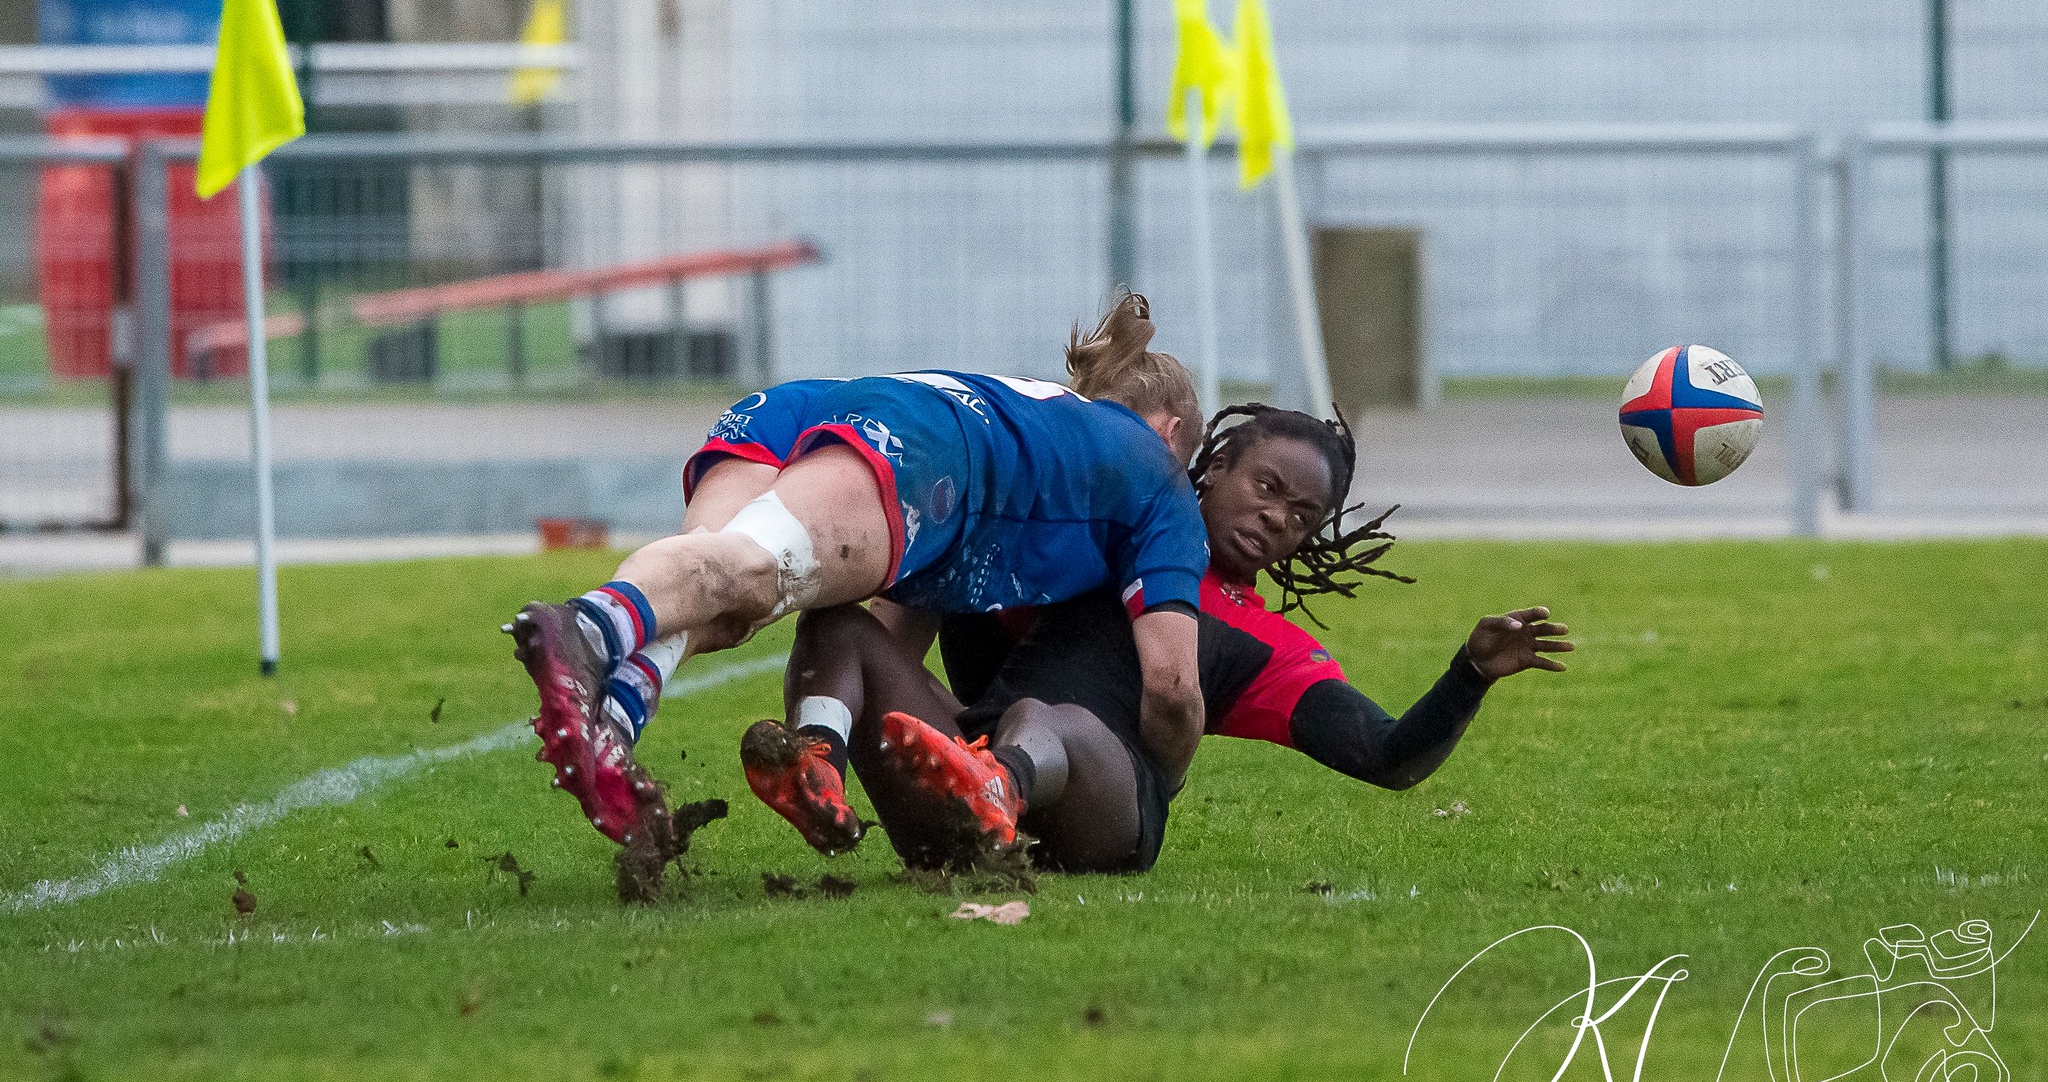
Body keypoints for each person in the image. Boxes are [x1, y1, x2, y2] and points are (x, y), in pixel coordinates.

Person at [507, 293, 1209, 850]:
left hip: (809, 406)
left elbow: (887, 644)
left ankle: (612, 726)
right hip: (927, 445)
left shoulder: (1046, 417)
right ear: (1172, 431)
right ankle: (587, 628)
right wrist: (1155, 784)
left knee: (713, 596)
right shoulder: (1156, 476)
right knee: (750, 572)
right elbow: (1173, 686)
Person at [742, 404, 1575, 873]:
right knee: (838, 622)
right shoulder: (1095, 540)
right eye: (1267, 487)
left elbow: (1389, 755)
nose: (1276, 518)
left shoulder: (1267, 644)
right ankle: (818, 767)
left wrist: (1469, 672)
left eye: (1301, 515)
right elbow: (958, 590)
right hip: (961, 790)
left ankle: (998, 780)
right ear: (1210, 471)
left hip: (1112, 814)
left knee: (1044, 712)